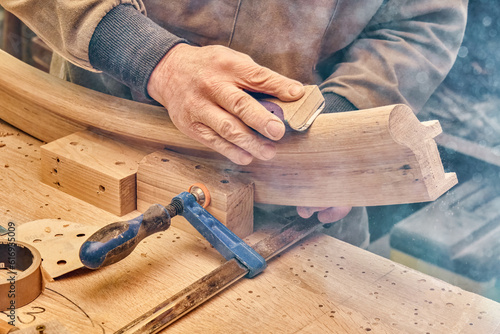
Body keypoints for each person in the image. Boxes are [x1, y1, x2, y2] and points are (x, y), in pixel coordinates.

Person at [0, 1, 468, 247]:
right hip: (98, 143)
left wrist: (343, 121)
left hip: (295, 189)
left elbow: (424, 21)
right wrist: (149, 57)